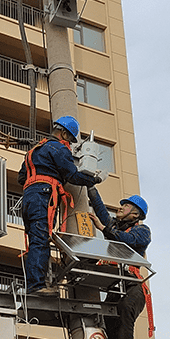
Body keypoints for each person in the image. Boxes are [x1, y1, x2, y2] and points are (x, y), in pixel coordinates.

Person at [17, 116, 100, 294]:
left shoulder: (34, 150)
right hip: (44, 196)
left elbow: (21, 177)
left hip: (29, 197)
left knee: (34, 240)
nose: (69, 143)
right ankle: (36, 286)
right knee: (41, 239)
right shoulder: (59, 148)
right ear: (63, 133)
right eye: (69, 138)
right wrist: (93, 179)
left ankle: (32, 283)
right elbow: (73, 176)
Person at [88, 190, 151, 339]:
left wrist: (105, 229)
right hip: (116, 285)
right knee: (108, 324)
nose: (120, 208)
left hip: (133, 287)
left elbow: (126, 241)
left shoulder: (142, 231)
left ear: (135, 214)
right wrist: (91, 187)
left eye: (125, 206)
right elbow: (101, 211)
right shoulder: (114, 226)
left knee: (124, 312)